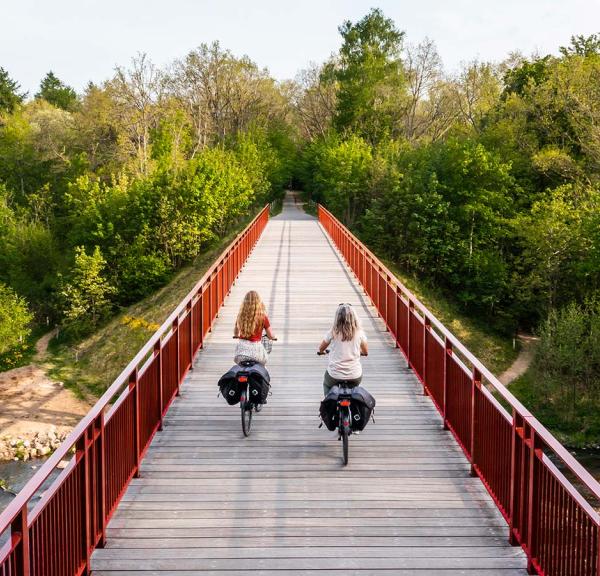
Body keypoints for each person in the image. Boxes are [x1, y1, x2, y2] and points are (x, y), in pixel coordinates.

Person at [318, 303, 368, 396]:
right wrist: (361, 353)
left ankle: (328, 406)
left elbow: (321, 348)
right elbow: (365, 351)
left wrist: (321, 352)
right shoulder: (359, 333)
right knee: (354, 389)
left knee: (327, 385)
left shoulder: (333, 332)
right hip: (354, 375)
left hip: (335, 374)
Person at [233, 290, 276, 366]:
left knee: (239, 366)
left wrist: (236, 335)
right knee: (263, 368)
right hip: (256, 353)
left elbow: (236, 332)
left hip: (241, 352)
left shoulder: (240, 316)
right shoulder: (262, 317)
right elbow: (270, 335)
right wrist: (273, 337)